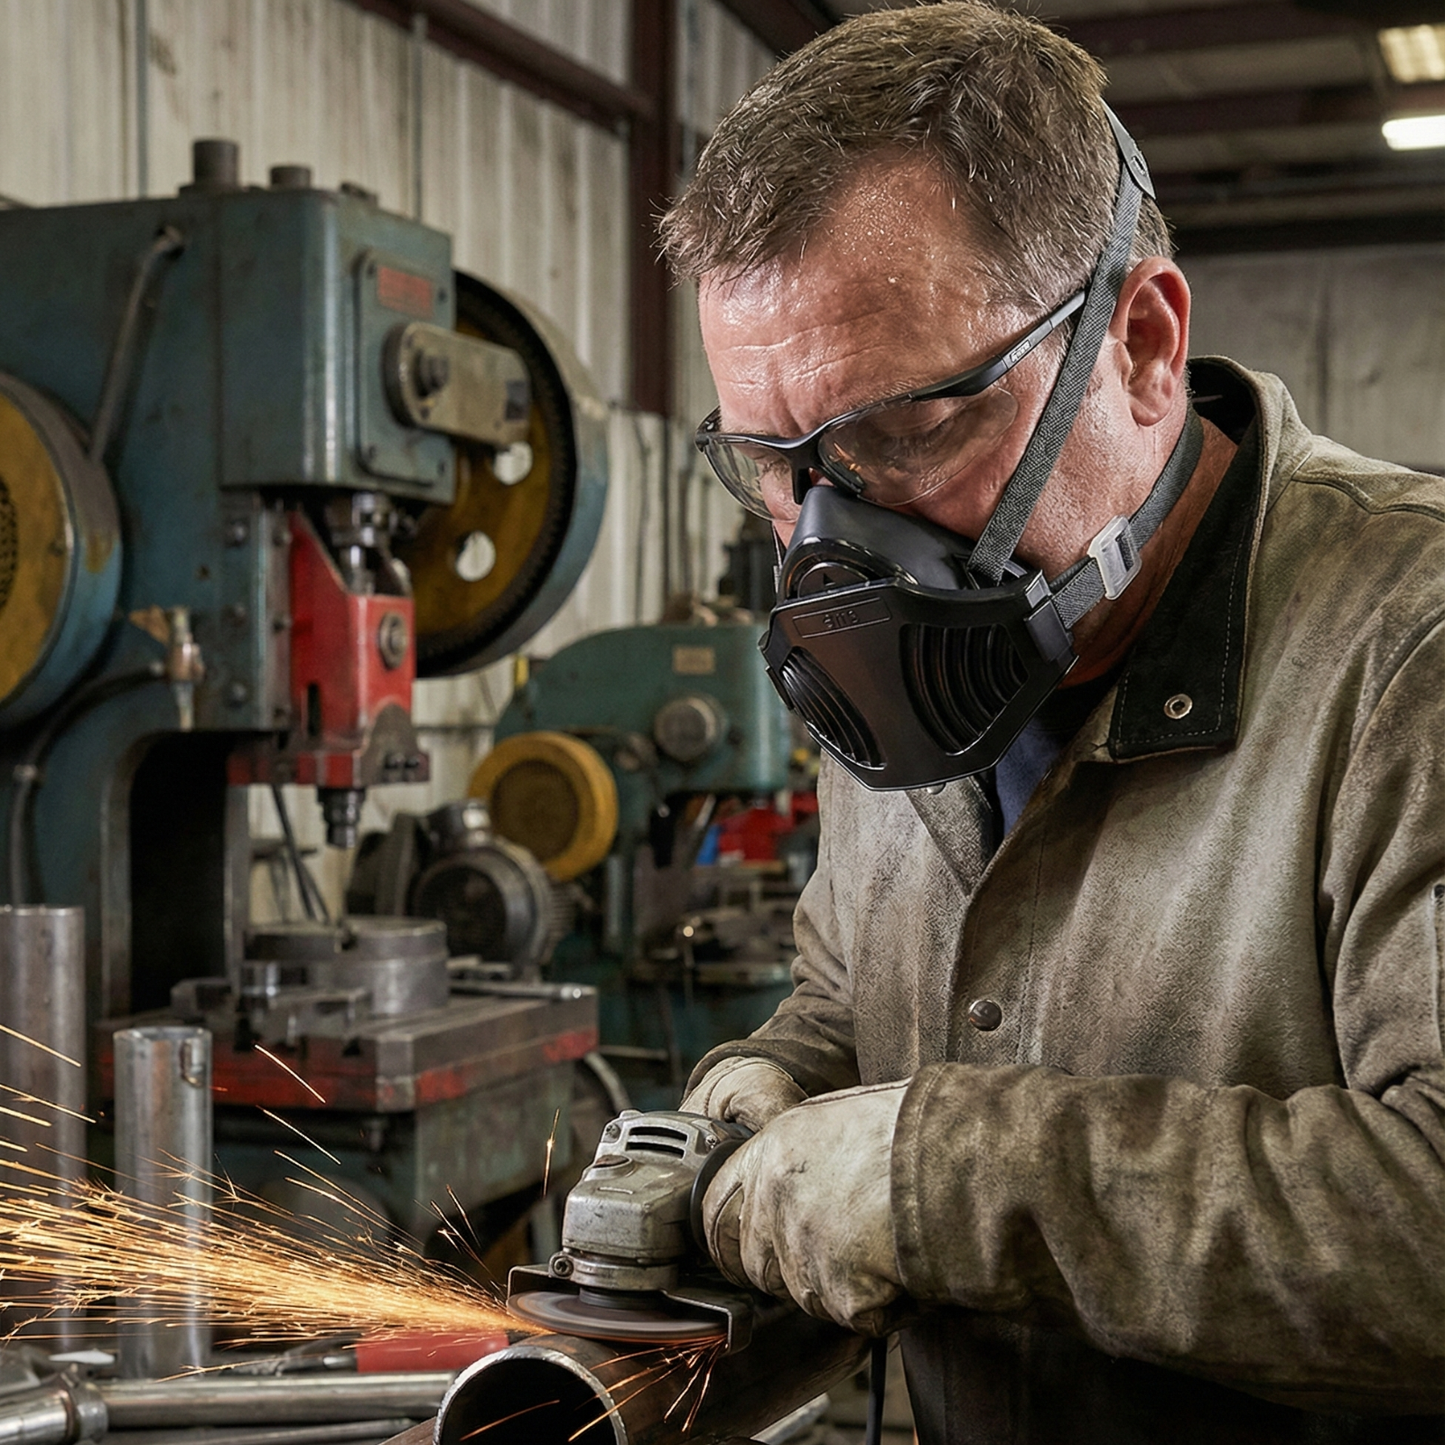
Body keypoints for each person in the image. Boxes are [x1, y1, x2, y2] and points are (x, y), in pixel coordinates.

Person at [658, 4, 1445, 1442]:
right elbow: (864, 1000)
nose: (833, 548)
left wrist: (946, 1183)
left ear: (1140, 343)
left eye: (902, 434)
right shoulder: (897, 671)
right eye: (777, 466)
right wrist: (772, 1082)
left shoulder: (1411, 653)